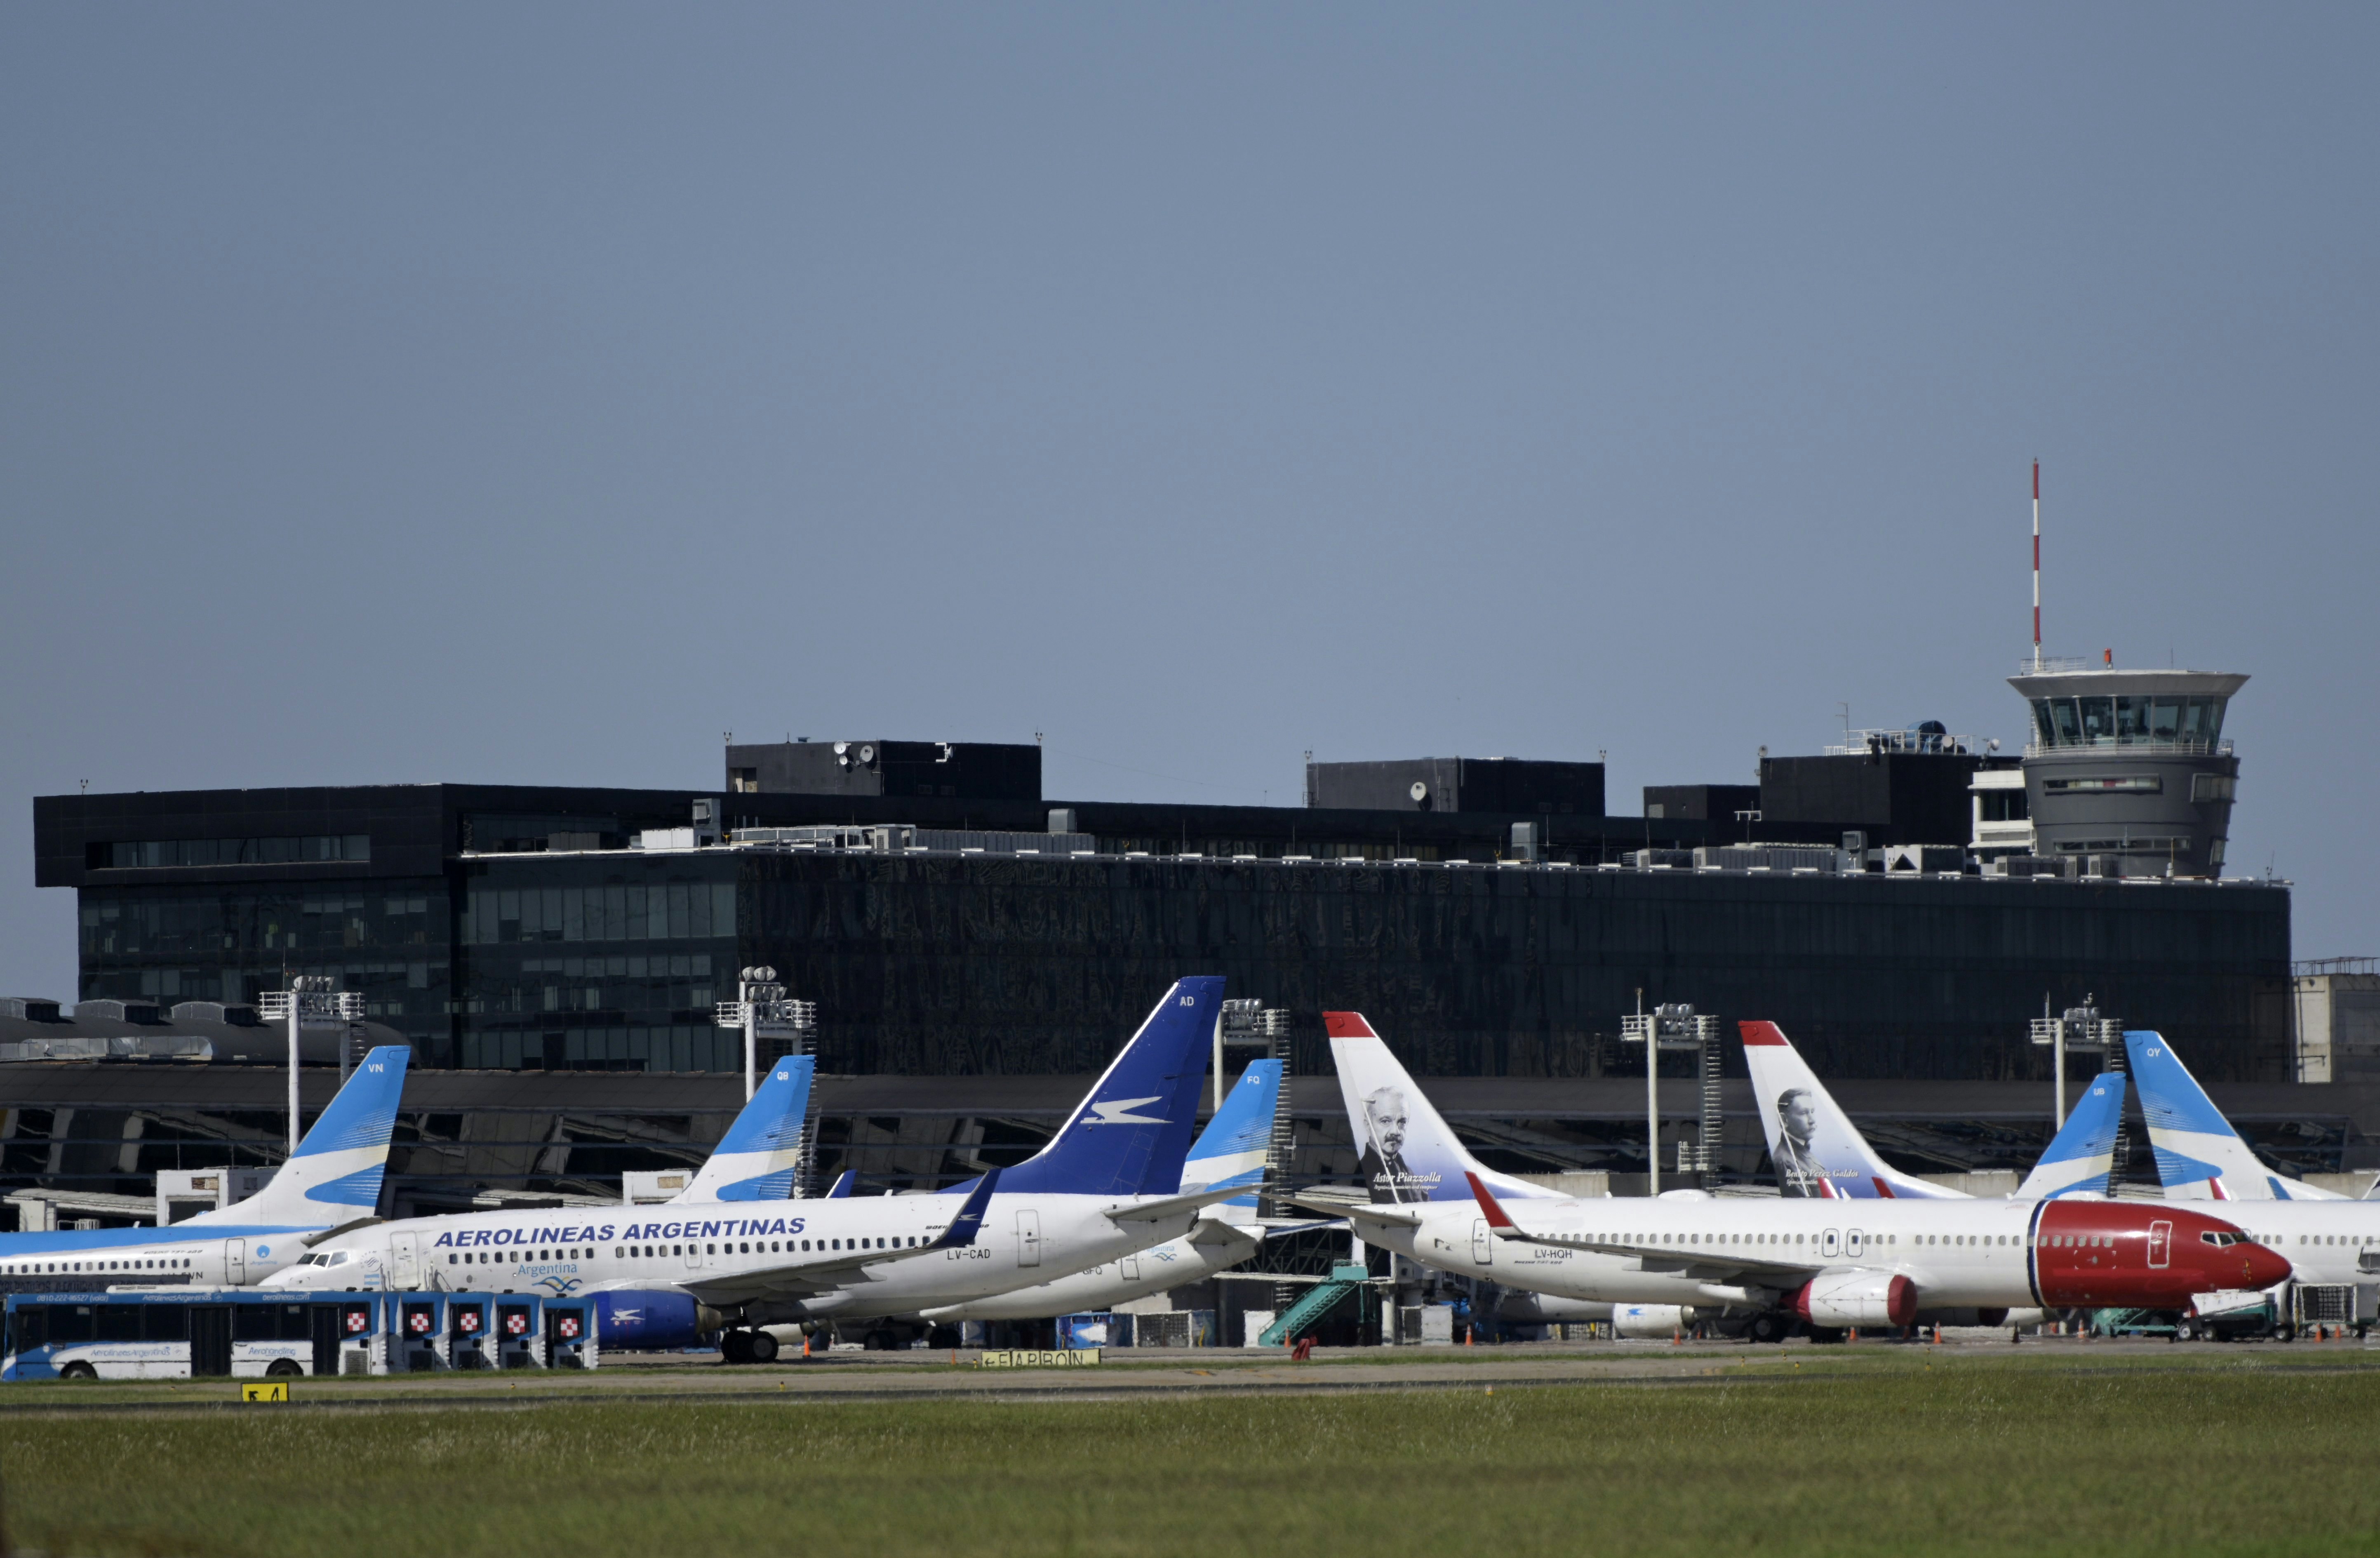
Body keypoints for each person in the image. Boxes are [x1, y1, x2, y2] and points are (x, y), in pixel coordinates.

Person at [1356, 1085, 1430, 1202]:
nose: (1396, 1132)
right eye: (1385, 1121)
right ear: (1368, 1126)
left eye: (1402, 1122)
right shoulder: (1363, 1174)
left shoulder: (1408, 1173)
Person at [1772, 1087, 1828, 1196]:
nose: (1812, 1120)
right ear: (1784, 1120)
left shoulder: (1801, 1151)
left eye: (1812, 1112)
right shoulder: (1785, 1161)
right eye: (1803, 1113)